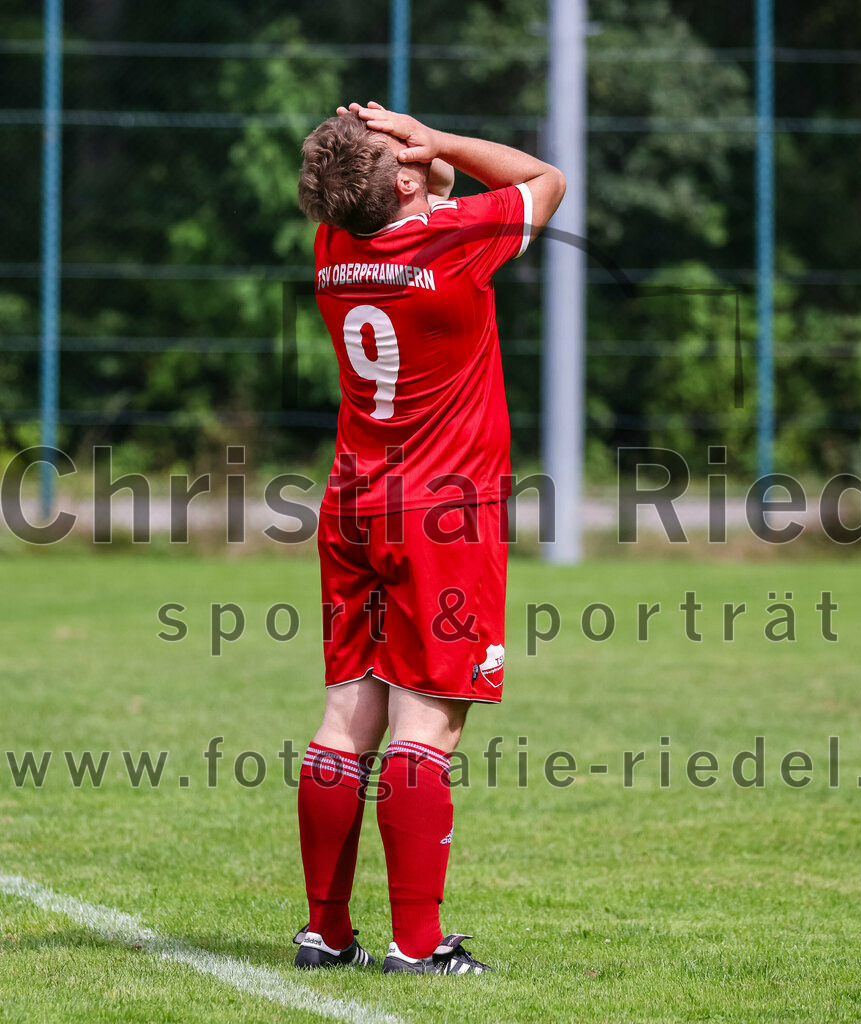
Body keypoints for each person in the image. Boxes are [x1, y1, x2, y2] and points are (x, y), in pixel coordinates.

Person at [291, 101, 565, 975]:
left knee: (345, 721)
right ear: (403, 179)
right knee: (425, 730)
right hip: (444, 516)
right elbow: (541, 180)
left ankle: (326, 933)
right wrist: (438, 138)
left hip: (353, 503)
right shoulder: (451, 246)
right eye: (399, 152)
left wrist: (415, 164)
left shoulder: (335, 244)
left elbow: (421, 194)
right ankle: (416, 946)